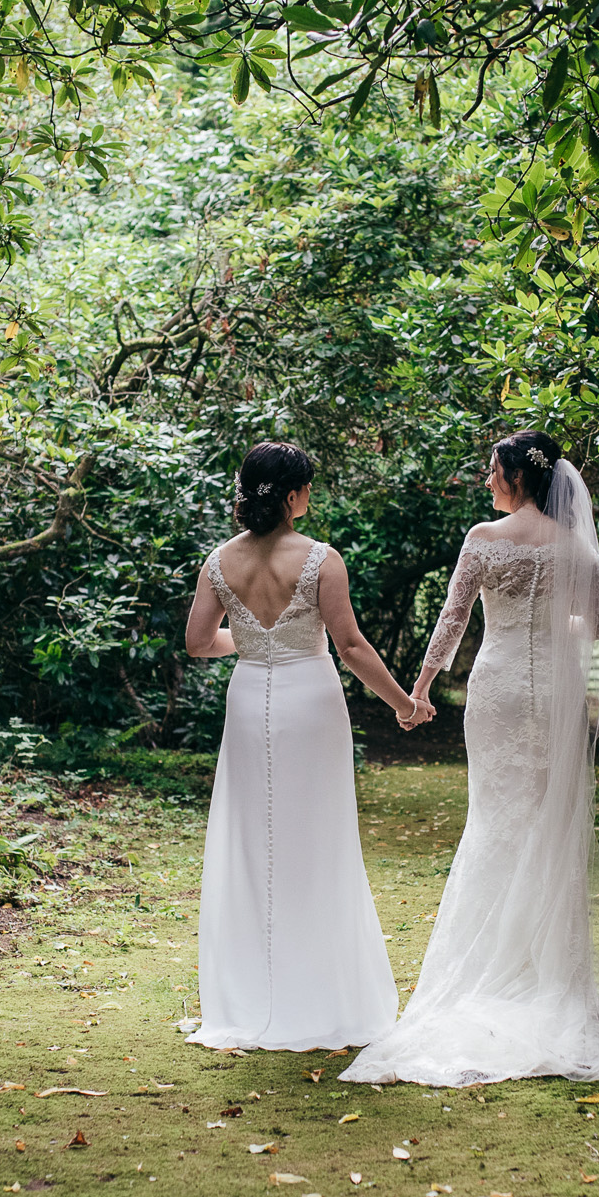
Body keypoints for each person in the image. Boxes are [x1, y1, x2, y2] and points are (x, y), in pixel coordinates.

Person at [342, 431, 599, 1086]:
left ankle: (488, 972)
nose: (485, 479)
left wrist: (417, 689)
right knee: (546, 823)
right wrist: (560, 627)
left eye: (491, 469)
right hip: (555, 691)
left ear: (516, 478)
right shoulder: (574, 546)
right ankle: (544, 974)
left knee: (496, 820)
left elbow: (452, 620)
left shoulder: (483, 538)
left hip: (497, 689)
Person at [183, 441, 432, 1052]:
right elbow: (350, 647)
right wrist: (404, 703)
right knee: (318, 840)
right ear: (293, 495)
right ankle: (321, 993)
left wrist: (247, 641)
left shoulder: (220, 561)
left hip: (249, 702)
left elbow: (196, 642)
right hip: (311, 701)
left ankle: (253, 994)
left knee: (253, 840)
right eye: (309, 487)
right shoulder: (322, 560)